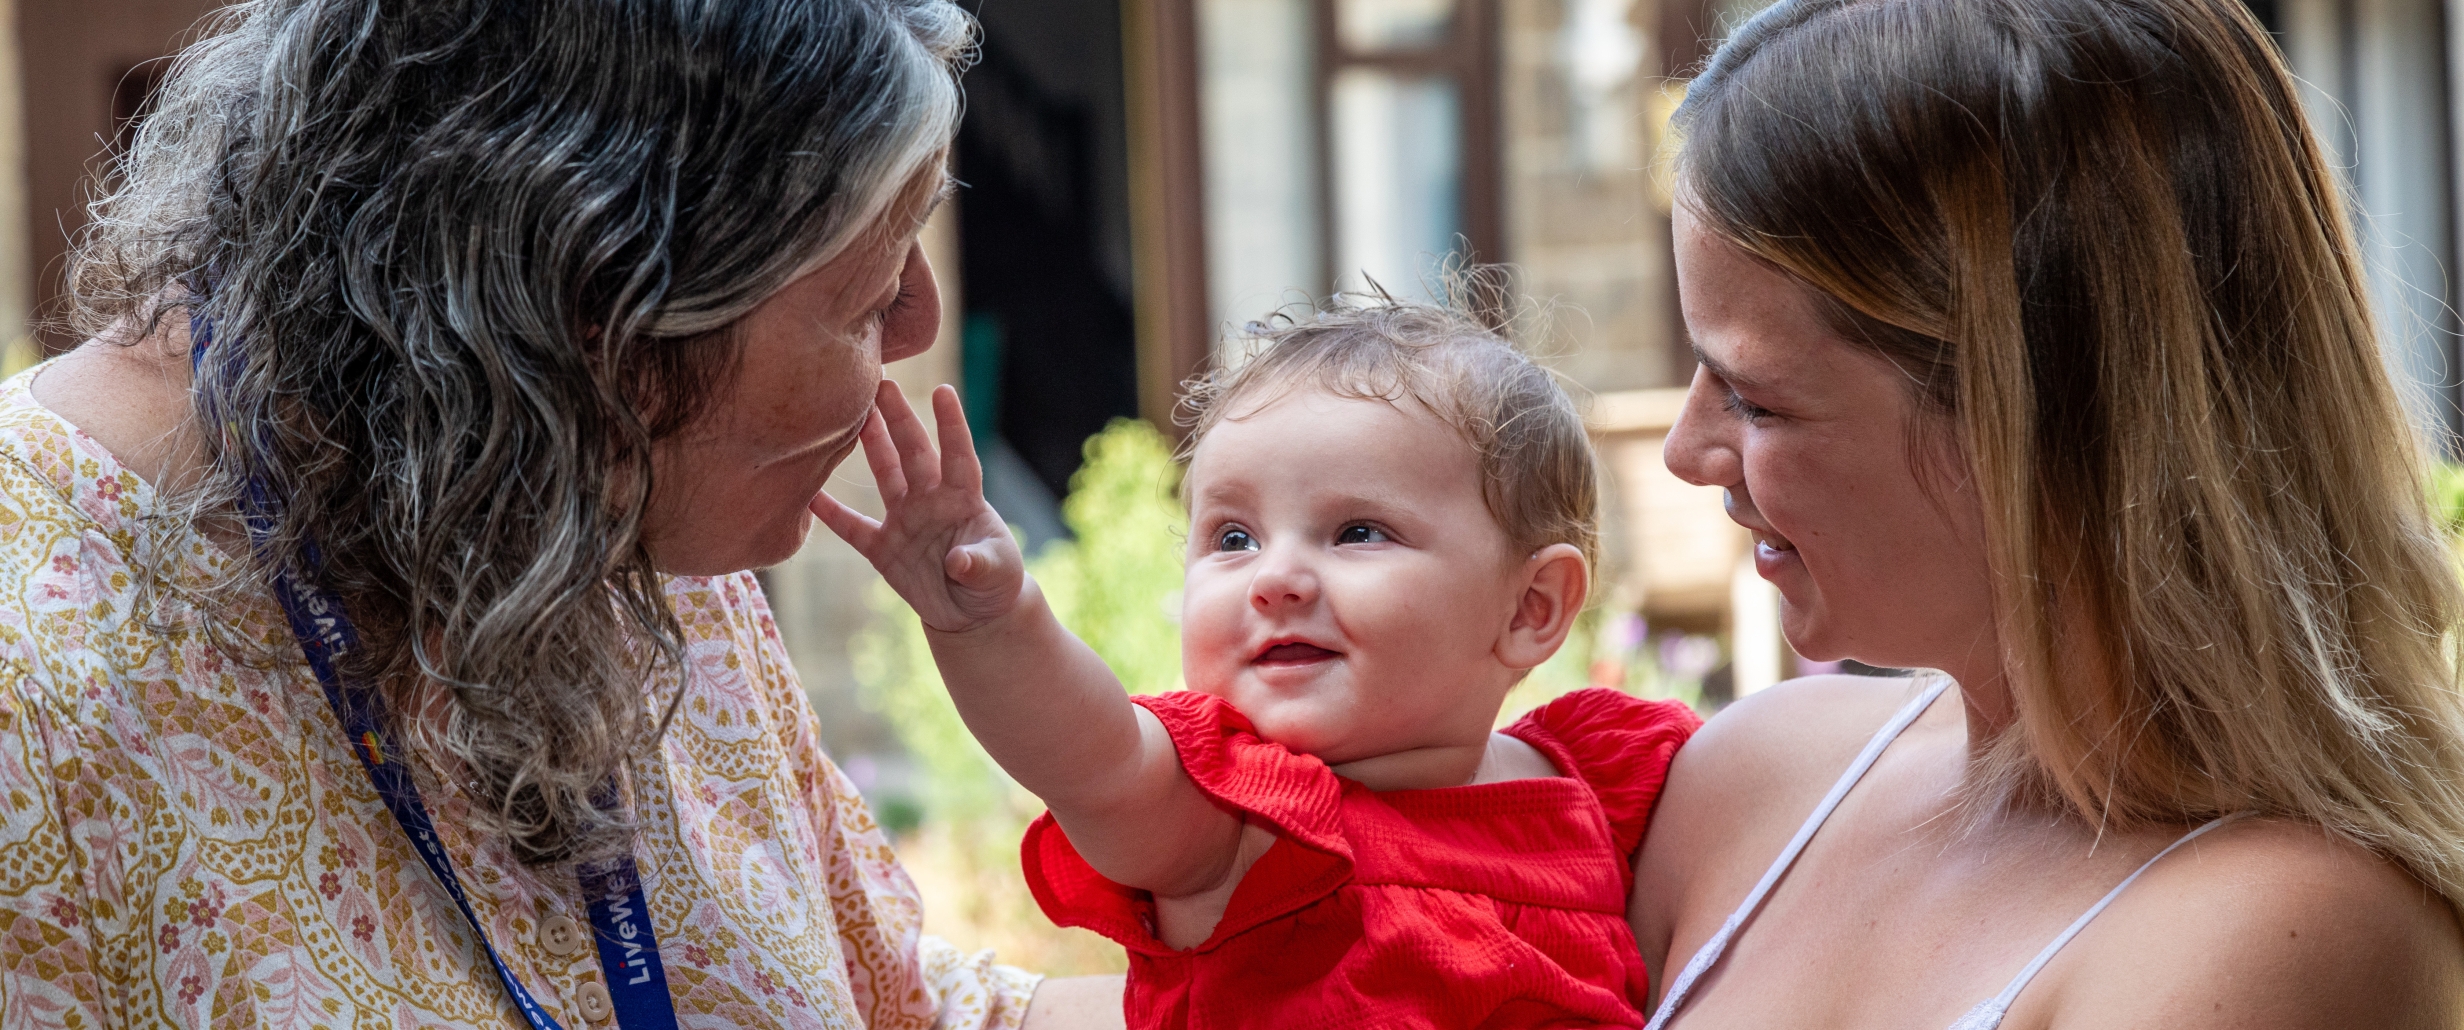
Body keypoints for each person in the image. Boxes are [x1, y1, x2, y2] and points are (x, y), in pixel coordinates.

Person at [0, 0, 1120, 1026]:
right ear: (603, 311)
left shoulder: (593, 484)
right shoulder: (32, 685)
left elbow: (901, 1004)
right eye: (870, 292)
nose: (920, 321)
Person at [1630, 0, 2464, 1025]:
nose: (1687, 451)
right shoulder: (1747, 781)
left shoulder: (2277, 930)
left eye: (1755, 397)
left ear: (2032, 429)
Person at [819, 299, 1701, 1029]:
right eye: (1232, 537)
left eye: (1357, 531)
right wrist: (992, 623)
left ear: (1530, 607)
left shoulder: (1598, 782)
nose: (1276, 578)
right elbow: (1090, 759)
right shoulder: (1241, 825)